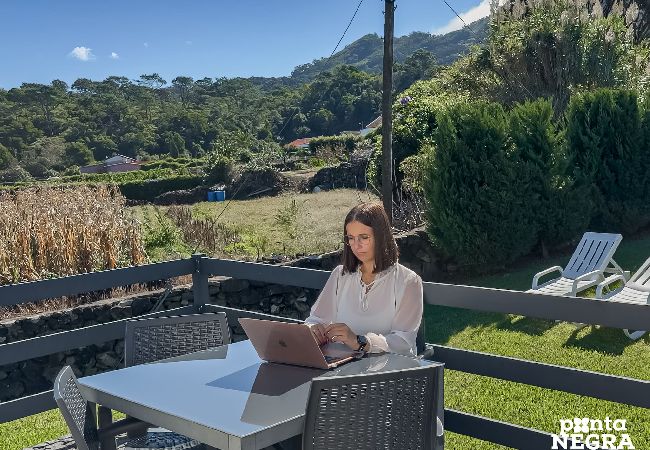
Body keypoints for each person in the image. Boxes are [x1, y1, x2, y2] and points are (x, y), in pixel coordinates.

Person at [305, 202, 423, 356]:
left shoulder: (408, 281)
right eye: (351, 238)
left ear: (381, 237)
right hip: (344, 365)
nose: (356, 246)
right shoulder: (340, 275)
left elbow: (403, 341)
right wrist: (312, 329)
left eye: (364, 237)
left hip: (391, 367)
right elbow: (315, 319)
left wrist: (360, 342)